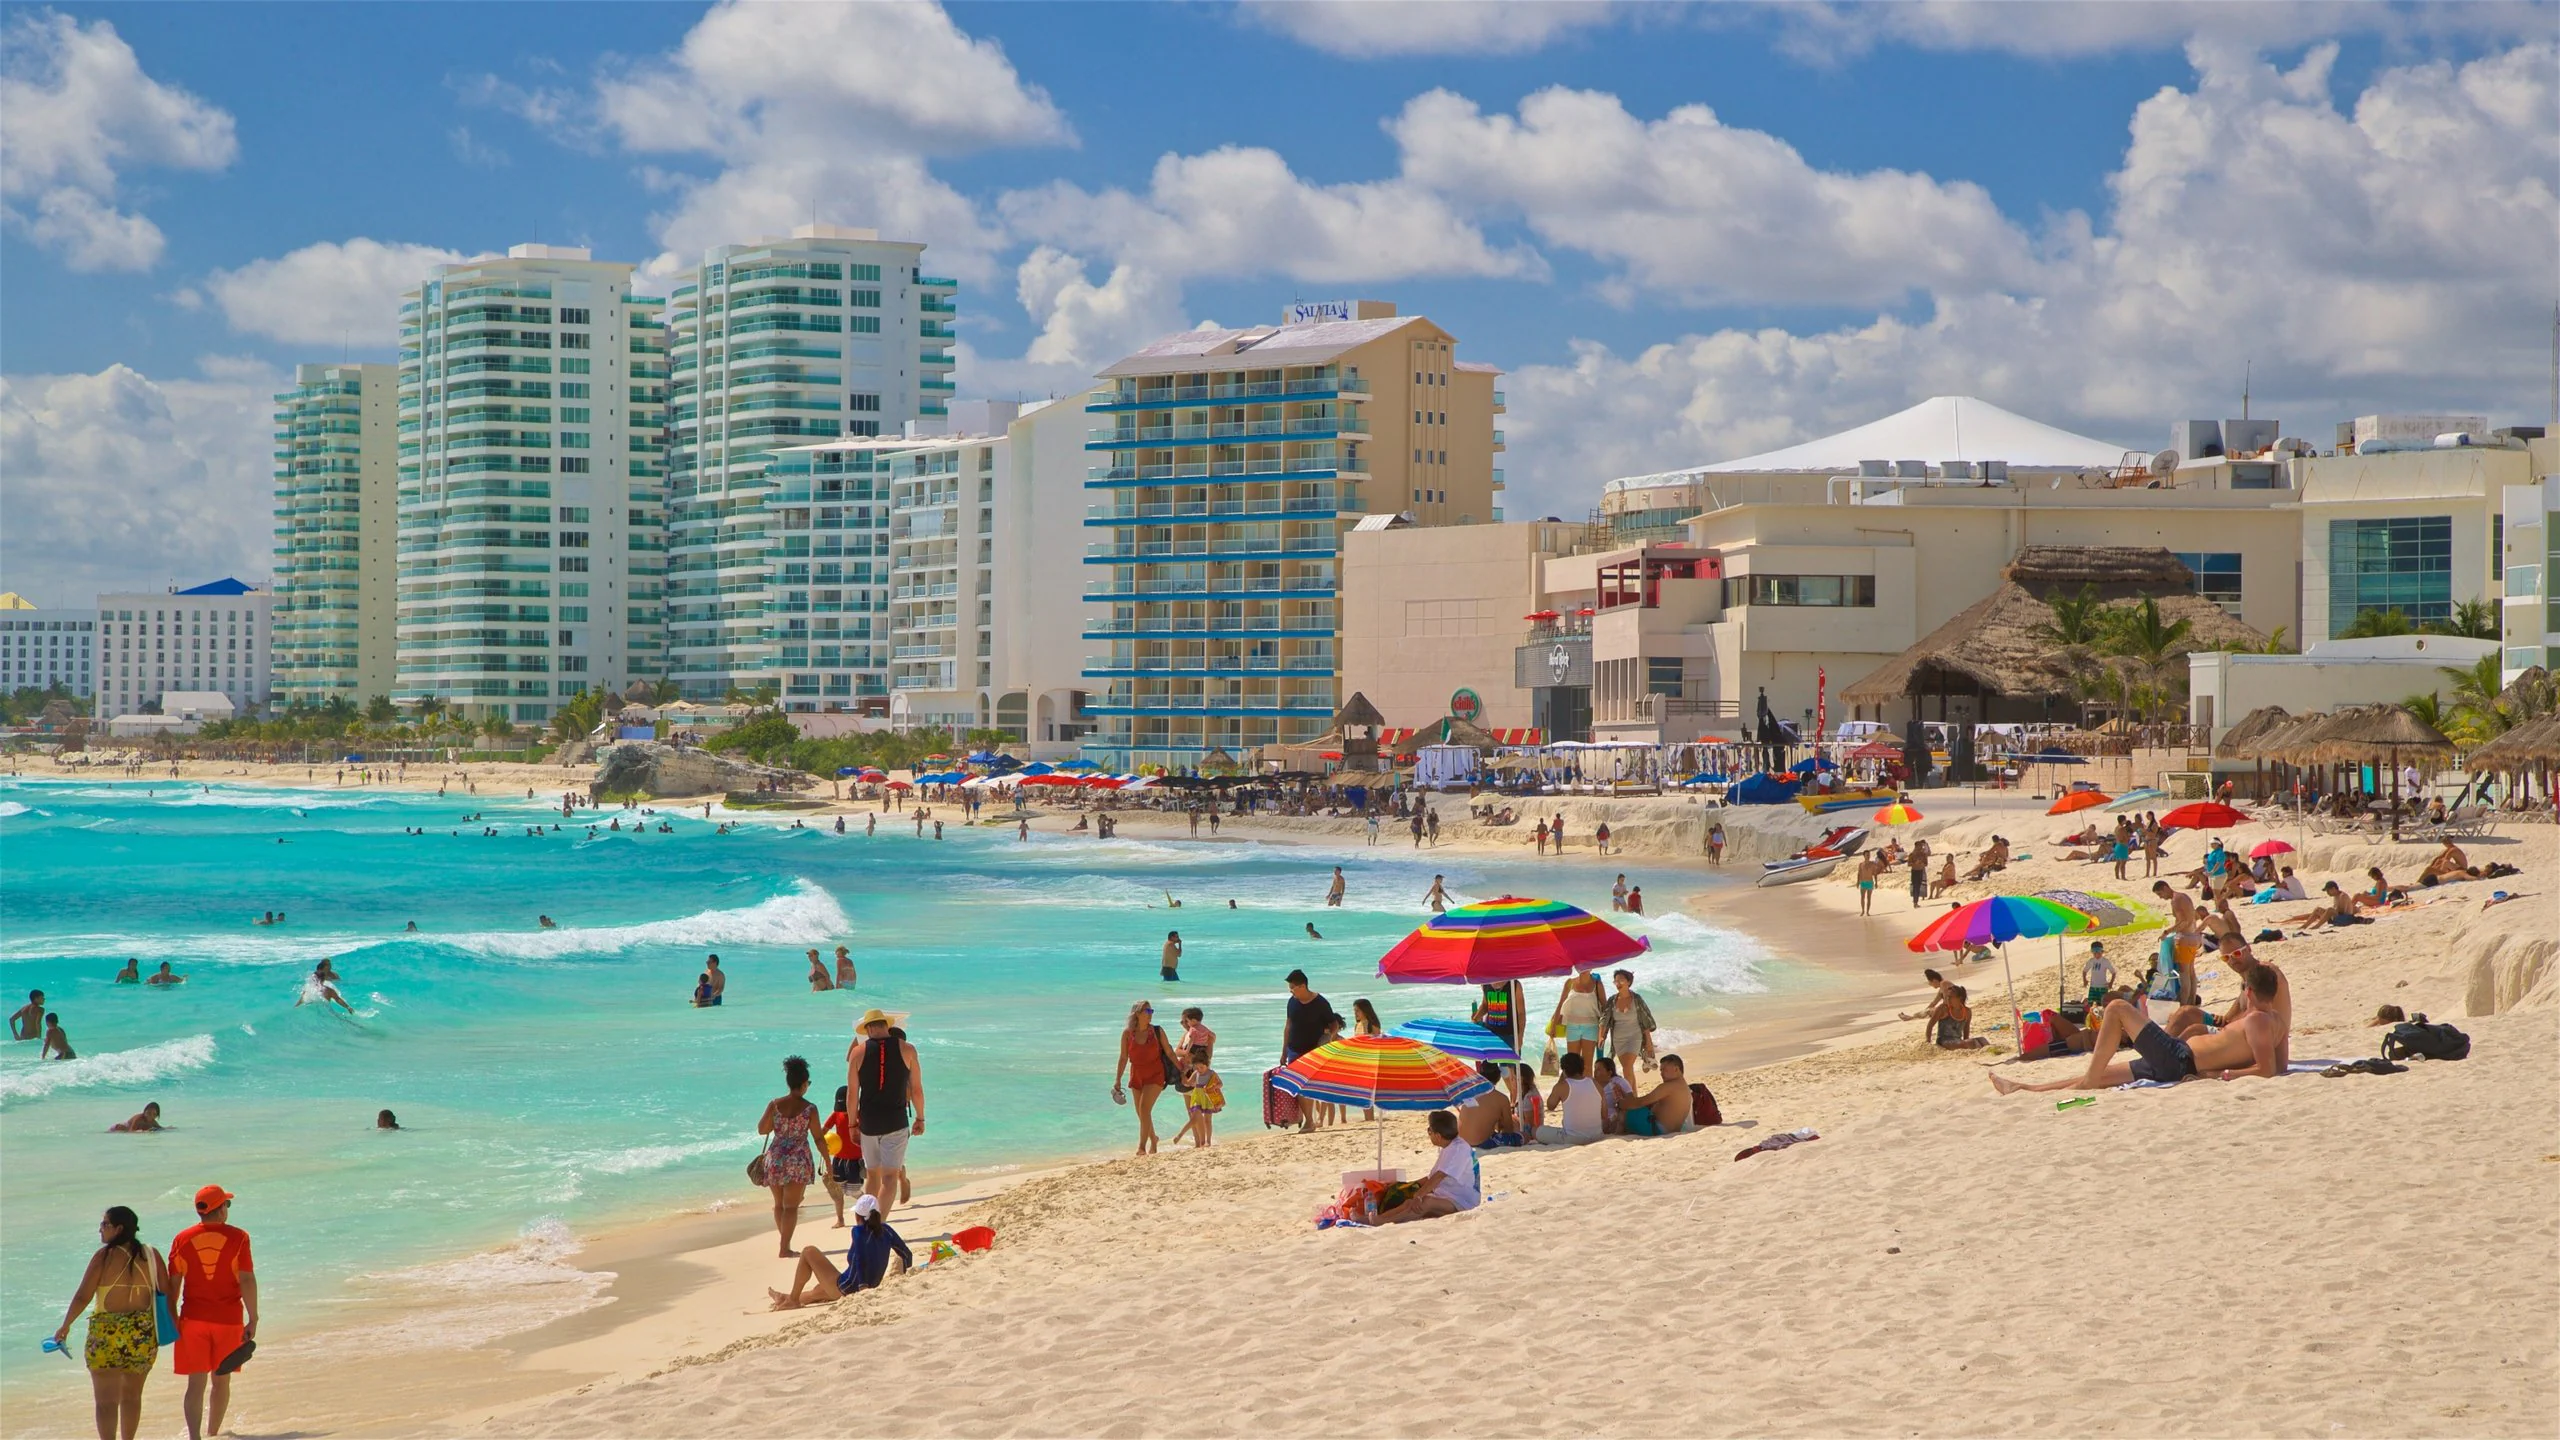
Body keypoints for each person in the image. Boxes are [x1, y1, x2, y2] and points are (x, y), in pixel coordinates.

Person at [1991, 972, 2285, 1093]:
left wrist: (2220, 1076)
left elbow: (2267, 1069)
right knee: (2103, 1076)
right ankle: (2025, 1089)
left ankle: (2084, 1083)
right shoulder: (2275, 1021)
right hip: (2179, 1059)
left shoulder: (2257, 1020)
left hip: (2181, 1059)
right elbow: (2281, 1065)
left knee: (2117, 1007)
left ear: (2248, 991)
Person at [51, 1204, 172, 1440]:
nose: (100, 1230)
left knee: (106, 1402)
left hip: (106, 1334)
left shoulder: (103, 1257)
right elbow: (165, 1292)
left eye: (104, 1224)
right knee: (132, 1397)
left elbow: (82, 1296)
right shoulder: (151, 1255)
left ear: (118, 1228)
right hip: (143, 1334)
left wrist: (65, 1326)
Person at [169, 1185, 257, 1440]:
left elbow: (173, 1283)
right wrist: (253, 1317)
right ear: (219, 1210)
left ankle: (195, 1437)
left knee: (195, 1385)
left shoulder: (182, 1239)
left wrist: (172, 1318)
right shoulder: (239, 1237)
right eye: (226, 1205)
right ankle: (213, 1434)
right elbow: (247, 1279)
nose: (227, 1210)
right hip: (228, 1320)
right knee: (221, 1381)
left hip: (192, 1321)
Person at [767, 1194, 912, 1311]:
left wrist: (863, 1288)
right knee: (817, 1292)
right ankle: (784, 1298)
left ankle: (792, 1300)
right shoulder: (887, 1230)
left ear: (858, 1216)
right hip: (867, 1285)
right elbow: (907, 1255)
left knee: (808, 1251)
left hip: (847, 1287)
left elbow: (861, 1259)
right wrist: (906, 1275)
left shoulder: (858, 1232)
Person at [850, 1009, 923, 1219]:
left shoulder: (858, 1053)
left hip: (869, 1123)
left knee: (872, 1176)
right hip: (896, 1121)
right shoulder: (908, 1049)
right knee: (890, 1177)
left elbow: (853, 1093)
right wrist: (920, 1117)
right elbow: (917, 1089)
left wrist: (852, 1125)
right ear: (886, 1026)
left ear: (869, 1029)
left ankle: (865, 1221)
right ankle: (879, 1223)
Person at [756, 1056, 826, 1259]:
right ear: (804, 1084)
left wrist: (779, 1125)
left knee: (779, 1204)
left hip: (775, 1157)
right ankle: (784, 1247)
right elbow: (819, 1138)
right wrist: (828, 1163)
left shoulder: (774, 1105)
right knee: (791, 1207)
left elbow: (762, 1129)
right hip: (797, 1159)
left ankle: (784, 1243)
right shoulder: (810, 1108)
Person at [1376, 1111, 1479, 1223]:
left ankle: (1382, 1223)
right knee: (1409, 1202)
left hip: (1462, 1201)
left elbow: (1439, 1176)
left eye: (1429, 1130)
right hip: (1446, 1195)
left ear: (1438, 1136)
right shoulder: (1449, 1146)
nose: (1429, 1133)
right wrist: (1405, 1185)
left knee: (1425, 1202)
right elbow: (1431, 1178)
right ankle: (1377, 1219)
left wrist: (1419, 1195)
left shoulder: (1458, 1150)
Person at [1112, 1001, 1176, 1155]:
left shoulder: (1157, 1031)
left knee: (1144, 1109)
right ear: (1138, 1013)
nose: (1150, 1014)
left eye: (1151, 1010)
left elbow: (1169, 1052)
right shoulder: (1128, 1034)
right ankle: (1153, 1139)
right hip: (1137, 1075)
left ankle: (1141, 1147)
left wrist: (1181, 1069)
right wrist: (1118, 1079)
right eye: (1147, 1011)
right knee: (1141, 1112)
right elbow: (1123, 1057)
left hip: (1155, 1073)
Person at [1614, 1054, 1693, 1135]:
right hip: (1669, 1130)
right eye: (1661, 1070)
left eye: (1664, 1070)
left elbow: (1641, 1102)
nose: (1661, 1073)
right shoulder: (1683, 1086)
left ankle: (1616, 1134)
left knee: (1623, 1113)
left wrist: (1620, 1104)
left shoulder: (1668, 1086)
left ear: (1676, 1069)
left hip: (1656, 1129)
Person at [1604, 969, 1656, 1080]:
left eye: (1621, 980)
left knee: (1627, 1068)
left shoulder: (1636, 999)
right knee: (1627, 1070)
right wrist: (1601, 1036)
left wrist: (1648, 1043)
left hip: (1634, 1037)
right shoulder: (1612, 1000)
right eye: (1616, 981)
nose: (1618, 984)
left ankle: (1630, 1096)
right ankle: (1633, 1096)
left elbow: (1645, 1021)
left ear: (1628, 982)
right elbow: (1605, 1020)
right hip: (1618, 1040)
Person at [1550, 969, 1604, 1072]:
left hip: (1591, 1027)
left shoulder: (1597, 984)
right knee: (1572, 1065)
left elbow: (1605, 1007)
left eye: (1587, 966)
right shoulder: (1570, 982)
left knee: (1587, 1066)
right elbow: (1561, 1003)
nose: (1584, 968)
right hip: (1572, 1027)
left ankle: (1587, 1088)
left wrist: (1604, 1030)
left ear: (1591, 967)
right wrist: (1553, 1025)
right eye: (1581, 966)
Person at [1456, 1062, 1520, 1147]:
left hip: (1462, 1142)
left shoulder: (1469, 1093)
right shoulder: (1501, 1098)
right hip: (1481, 1143)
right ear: (1499, 1076)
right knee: (1523, 1136)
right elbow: (1509, 1129)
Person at [819, 1085, 857, 1227]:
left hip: (855, 1159)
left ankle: (869, 1207)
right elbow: (824, 1130)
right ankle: (840, 1219)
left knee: (853, 1190)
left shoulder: (859, 1114)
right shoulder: (836, 1115)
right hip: (839, 1158)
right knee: (837, 1191)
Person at [1547, 1051, 1604, 1143]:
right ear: (1582, 1068)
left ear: (1564, 1070)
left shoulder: (1561, 1086)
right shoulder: (1595, 1084)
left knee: (1538, 1131)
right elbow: (1604, 1114)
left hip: (1573, 1137)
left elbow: (1550, 1106)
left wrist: (1560, 1080)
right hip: (1597, 1135)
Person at [1178, 1044, 1222, 1147]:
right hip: (1197, 1097)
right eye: (1197, 1067)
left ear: (1207, 1064)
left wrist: (1214, 1087)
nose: (1199, 1069)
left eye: (1201, 1067)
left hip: (1207, 1097)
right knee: (1196, 1117)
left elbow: (1220, 1084)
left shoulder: (1211, 1073)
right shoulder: (1196, 1073)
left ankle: (1208, 1141)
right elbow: (1188, 1083)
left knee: (1207, 1120)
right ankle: (1201, 1141)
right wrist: (1182, 1074)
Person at [2081, 942, 2115, 1009]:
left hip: (2103, 987)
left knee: (2103, 1005)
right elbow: (2084, 971)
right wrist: (2084, 980)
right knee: (2091, 1006)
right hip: (2093, 987)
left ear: (2102, 951)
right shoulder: (2091, 961)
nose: (2096, 954)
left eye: (2098, 952)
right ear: (2092, 952)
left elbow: (2113, 972)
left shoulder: (2105, 961)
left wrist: (2111, 983)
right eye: (2094, 952)